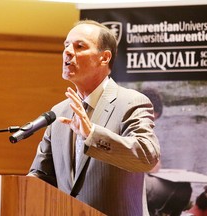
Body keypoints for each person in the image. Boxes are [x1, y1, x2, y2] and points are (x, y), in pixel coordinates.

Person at [28, 19, 160, 216]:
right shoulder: (58, 113)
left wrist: (92, 134)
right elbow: (40, 177)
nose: (68, 51)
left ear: (104, 58)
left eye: (79, 46)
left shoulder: (131, 102)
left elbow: (147, 157)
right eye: (66, 45)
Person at [142, 88, 192, 216]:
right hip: (132, 182)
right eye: (152, 119)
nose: (151, 124)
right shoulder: (133, 124)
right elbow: (151, 165)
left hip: (136, 178)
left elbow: (155, 160)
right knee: (183, 190)